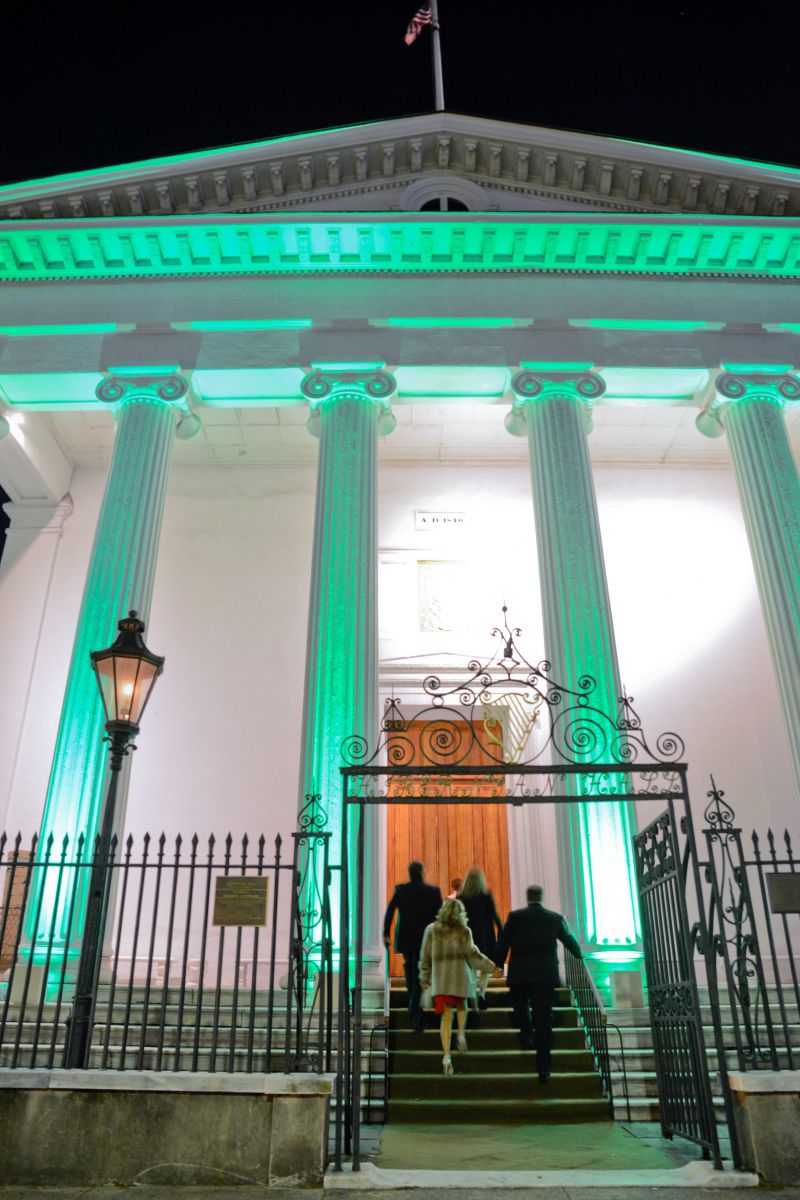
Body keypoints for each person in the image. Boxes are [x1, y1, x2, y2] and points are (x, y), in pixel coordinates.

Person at [494, 883, 582, 1084]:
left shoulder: (515, 917)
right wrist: (579, 953)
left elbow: (503, 943)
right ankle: (544, 1068)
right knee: (543, 1019)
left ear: (528, 897)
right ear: (540, 897)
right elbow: (568, 939)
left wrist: (497, 963)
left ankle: (526, 1034)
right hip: (544, 974)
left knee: (520, 1007)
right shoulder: (553, 918)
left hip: (520, 973)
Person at [419, 898, 495, 1076]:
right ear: (460, 913)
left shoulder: (431, 930)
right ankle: (460, 1034)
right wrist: (491, 967)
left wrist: (425, 976)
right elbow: (473, 954)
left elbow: (425, 956)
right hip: (460, 978)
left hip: (442, 980)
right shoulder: (464, 931)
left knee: (446, 1018)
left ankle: (446, 1056)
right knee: (462, 1006)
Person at [383, 861, 442, 1033]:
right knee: (421, 973)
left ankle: (414, 1006)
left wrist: (386, 932)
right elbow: (440, 916)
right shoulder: (433, 891)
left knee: (410, 970)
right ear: (423, 872)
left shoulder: (401, 890)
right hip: (427, 938)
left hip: (407, 938)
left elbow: (390, 911)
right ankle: (416, 1012)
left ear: (410, 873)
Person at [458, 867, 502, 960]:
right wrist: (500, 930)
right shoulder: (486, 896)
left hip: (467, 935)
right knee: (485, 965)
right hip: (485, 935)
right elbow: (494, 915)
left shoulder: (460, 897)